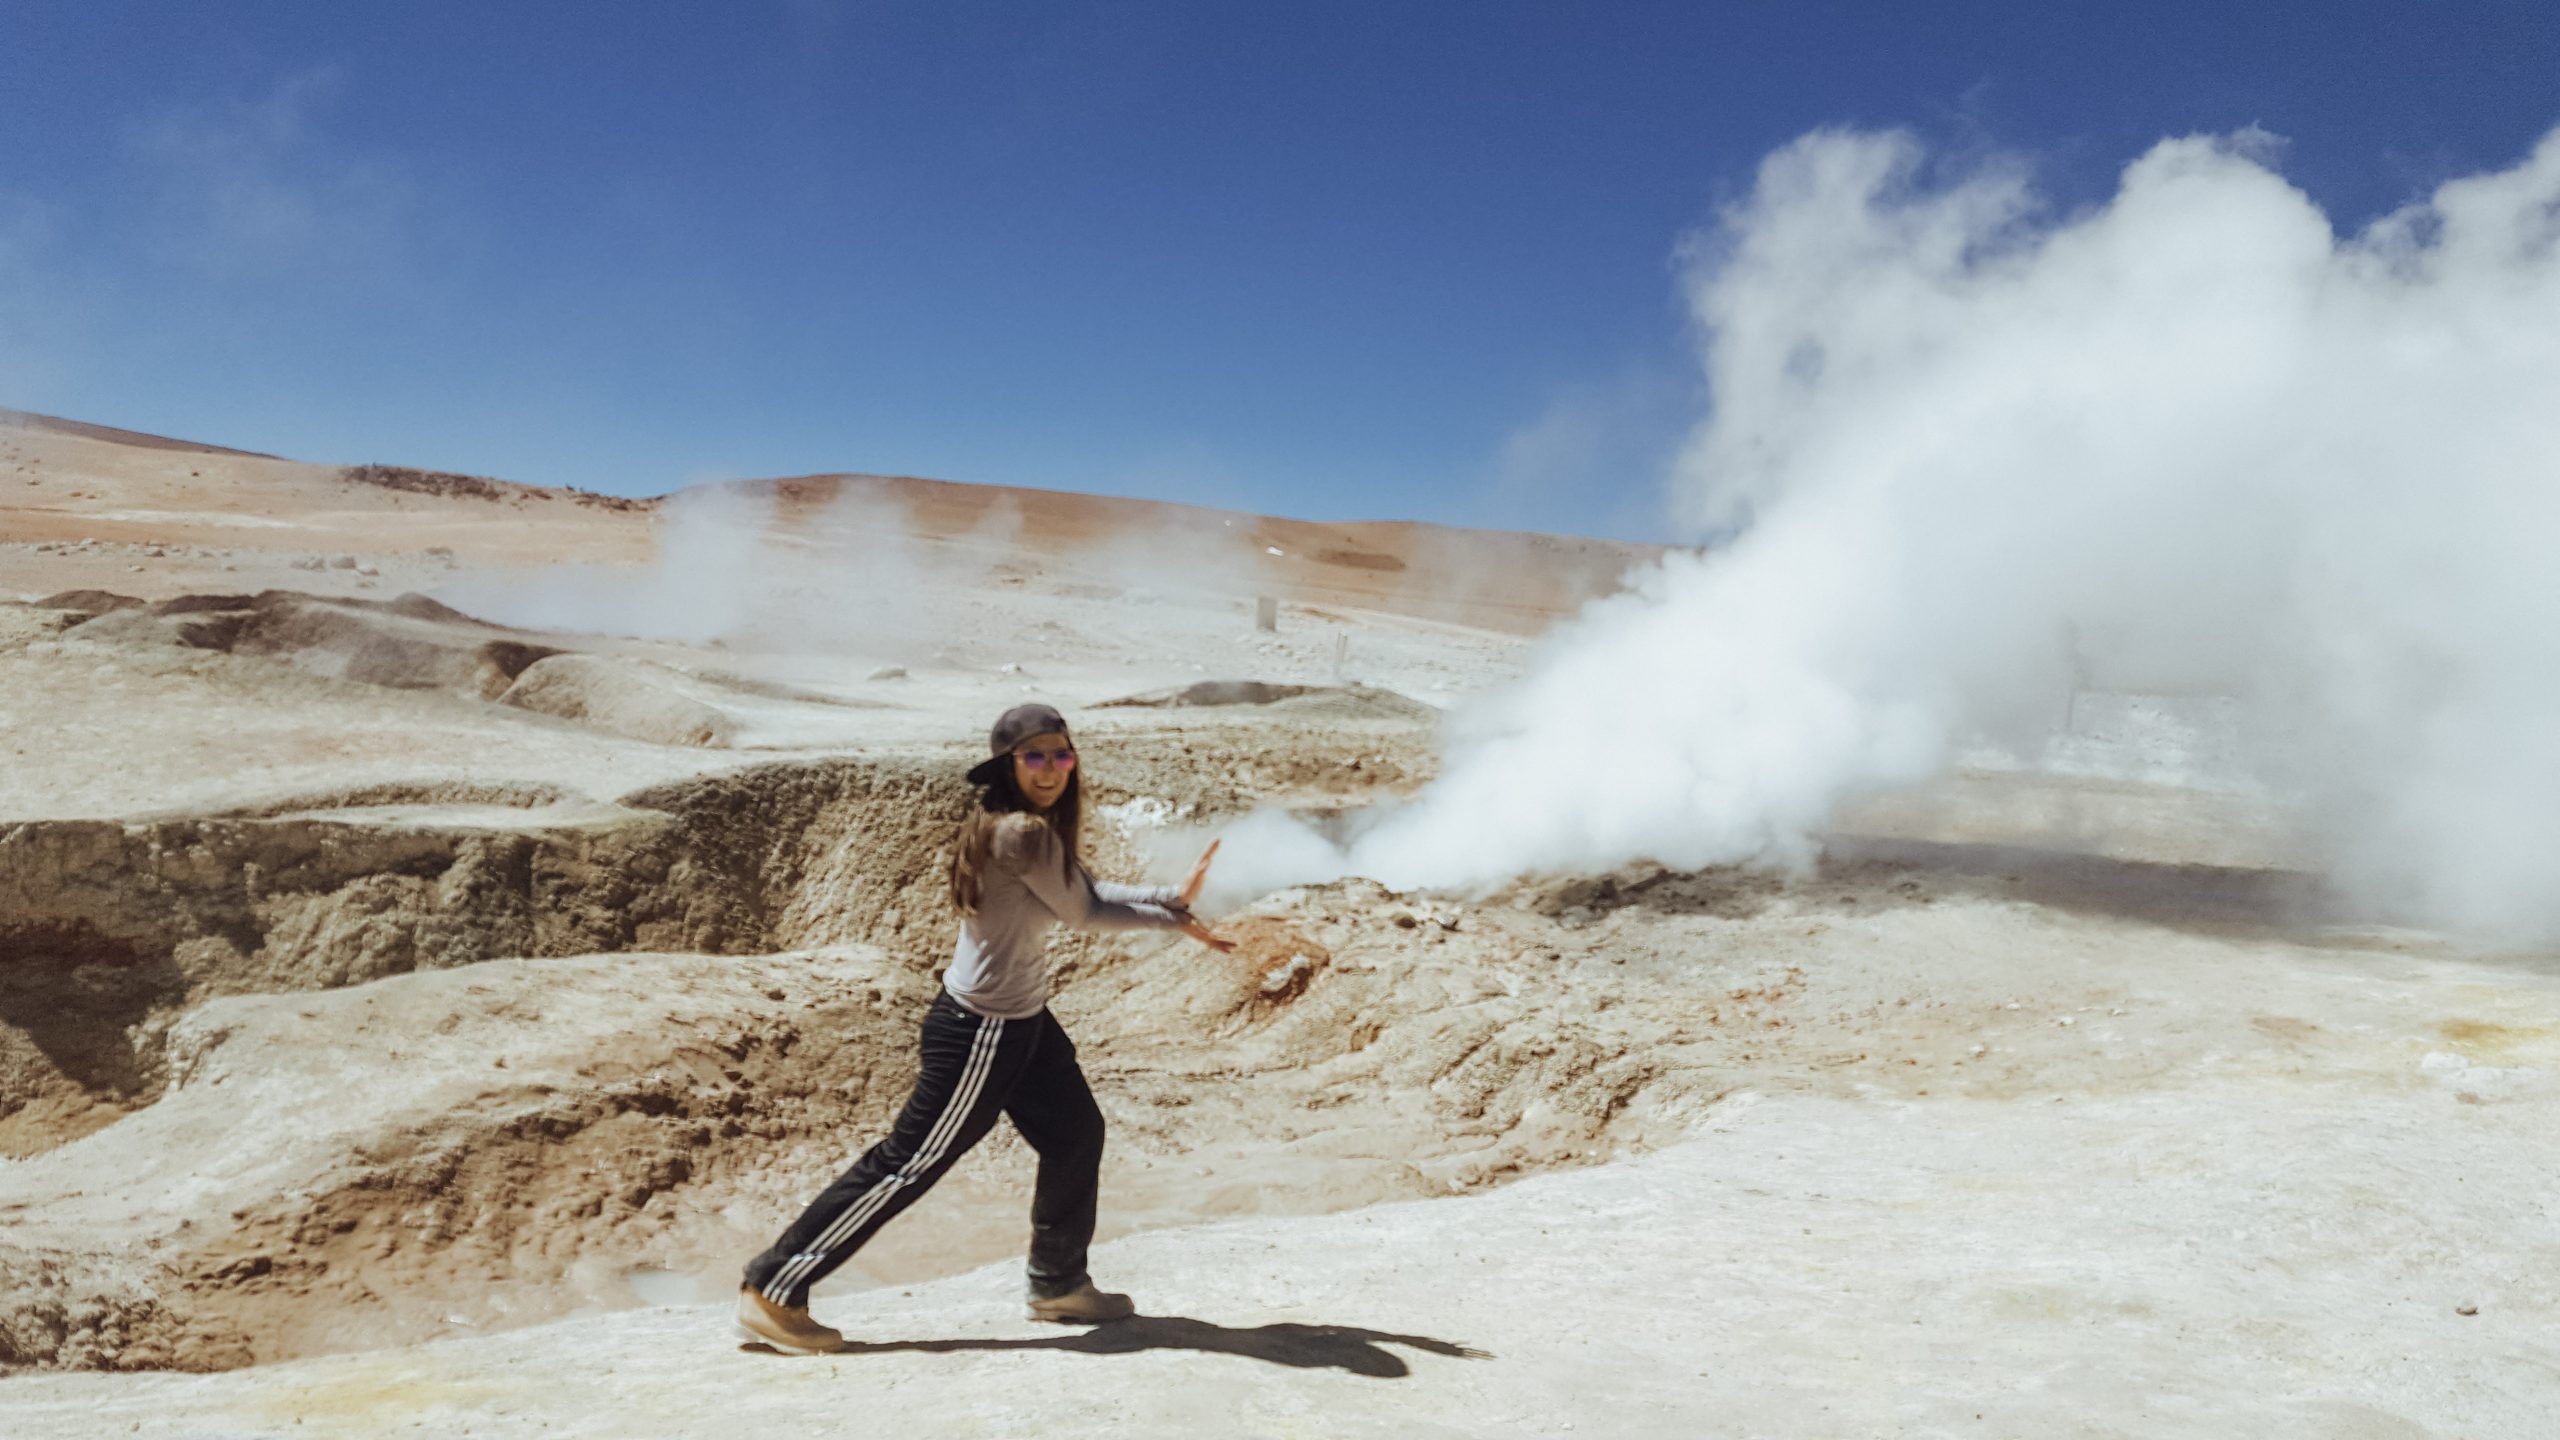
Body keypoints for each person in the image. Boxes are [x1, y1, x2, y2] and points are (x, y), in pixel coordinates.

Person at [737, 702, 1233, 1353]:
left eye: (1060, 753)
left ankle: (1057, 1282)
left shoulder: (1031, 831)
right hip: (982, 1031)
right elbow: (1083, 912)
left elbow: (1082, 886)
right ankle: (775, 1286)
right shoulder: (1017, 833)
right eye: (1035, 755)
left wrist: (1174, 896)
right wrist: (1174, 921)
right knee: (908, 1163)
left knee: (1076, 1133)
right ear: (1009, 764)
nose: (1050, 767)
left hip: (1025, 1021)